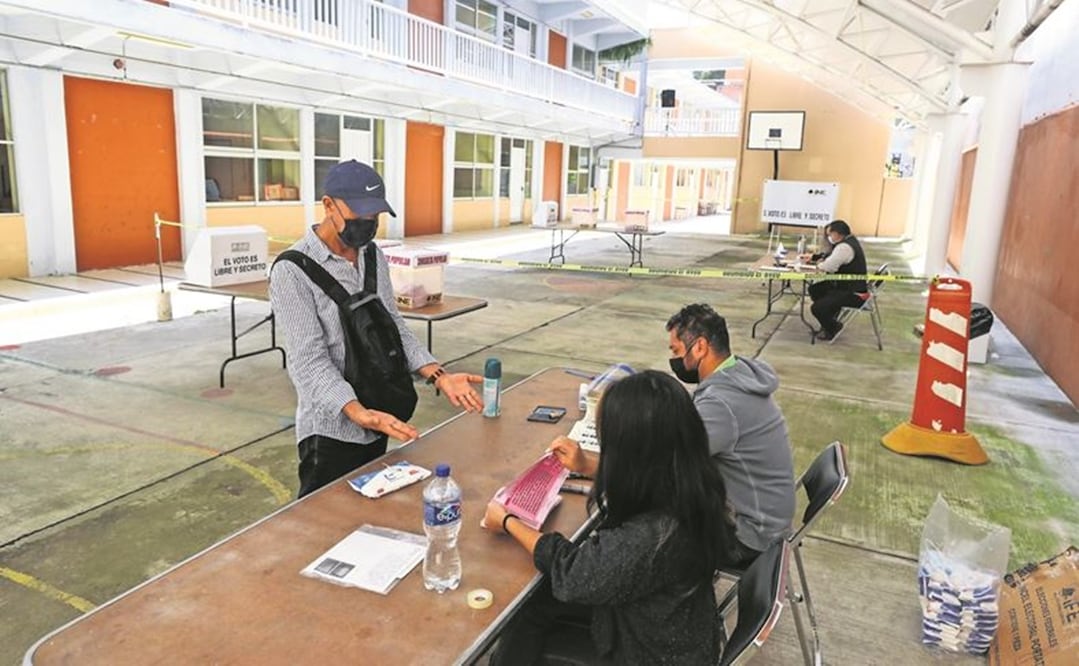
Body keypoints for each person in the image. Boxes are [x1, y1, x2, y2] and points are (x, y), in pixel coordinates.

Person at [483, 370, 737, 665]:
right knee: (539, 601)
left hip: (650, 654)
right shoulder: (693, 484)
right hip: (670, 625)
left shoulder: (653, 535)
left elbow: (573, 573)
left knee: (528, 605)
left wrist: (507, 521)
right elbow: (644, 480)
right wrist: (586, 464)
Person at [270, 160, 482, 498]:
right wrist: (359, 414)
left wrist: (438, 375)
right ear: (329, 205)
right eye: (359, 214)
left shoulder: (371, 255)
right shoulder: (293, 271)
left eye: (375, 216)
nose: (367, 224)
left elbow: (392, 326)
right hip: (331, 432)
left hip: (379, 414)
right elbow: (308, 362)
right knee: (323, 517)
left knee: (366, 508)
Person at [666, 303, 795, 567]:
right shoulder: (738, 374)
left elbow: (669, 462)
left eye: (676, 351)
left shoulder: (721, 402)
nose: (675, 361)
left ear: (700, 347)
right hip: (770, 518)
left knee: (653, 527)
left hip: (750, 537)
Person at [804, 219, 868, 341]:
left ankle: (833, 327)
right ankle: (829, 316)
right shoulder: (849, 242)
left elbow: (830, 266)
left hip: (854, 293)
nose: (829, 238)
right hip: (845, 286)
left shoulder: (844, 247)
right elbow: (830, 257)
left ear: (837, 233)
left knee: (817, 308)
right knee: (815, 289)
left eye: (830, 234)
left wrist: (818, 265)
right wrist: (817, 258)